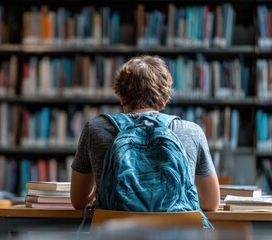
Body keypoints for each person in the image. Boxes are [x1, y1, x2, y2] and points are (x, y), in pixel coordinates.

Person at [70, 55, 220, 211]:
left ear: (121, 96)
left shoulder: (96, 128)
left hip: (117, 233)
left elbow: (79, 201)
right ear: (165, 99)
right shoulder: (191, 131)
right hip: (174, 233)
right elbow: (211, 203)